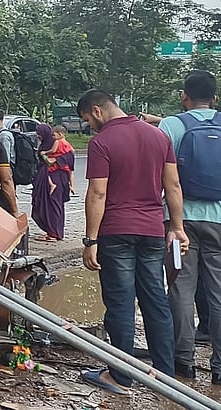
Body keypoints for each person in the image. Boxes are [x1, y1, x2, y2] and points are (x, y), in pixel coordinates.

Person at [76, 90, 189, 396]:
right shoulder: (157, 137)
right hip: (152, 231)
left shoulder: (102, 143)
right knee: (155, 301)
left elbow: (98, 193)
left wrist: (91, 240)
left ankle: (121, 377)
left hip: (116, 233)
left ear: (97, 111)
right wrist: (177, 227)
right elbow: (173, 185)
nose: (90, 127)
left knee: (121, 304)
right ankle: (164, 377)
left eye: (88, 120)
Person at [158, 69, 221, 384]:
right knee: (219, 293)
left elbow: (162, 176)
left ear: (184, 95)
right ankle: (220, 368)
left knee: (181, 287)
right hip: (220, 224)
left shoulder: (171, 125)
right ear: (215, 96)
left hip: (178, 222)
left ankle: (183, 363)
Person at [31, 124, 76, 241]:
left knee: (52, 204)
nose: (37, 136)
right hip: (51, 175)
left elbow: (67, 159)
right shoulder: (50, 143)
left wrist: (49, 158)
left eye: (39, 133)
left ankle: (53, 233)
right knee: (50, 204)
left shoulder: (57, 144)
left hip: (55, 176)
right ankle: (54, 231)